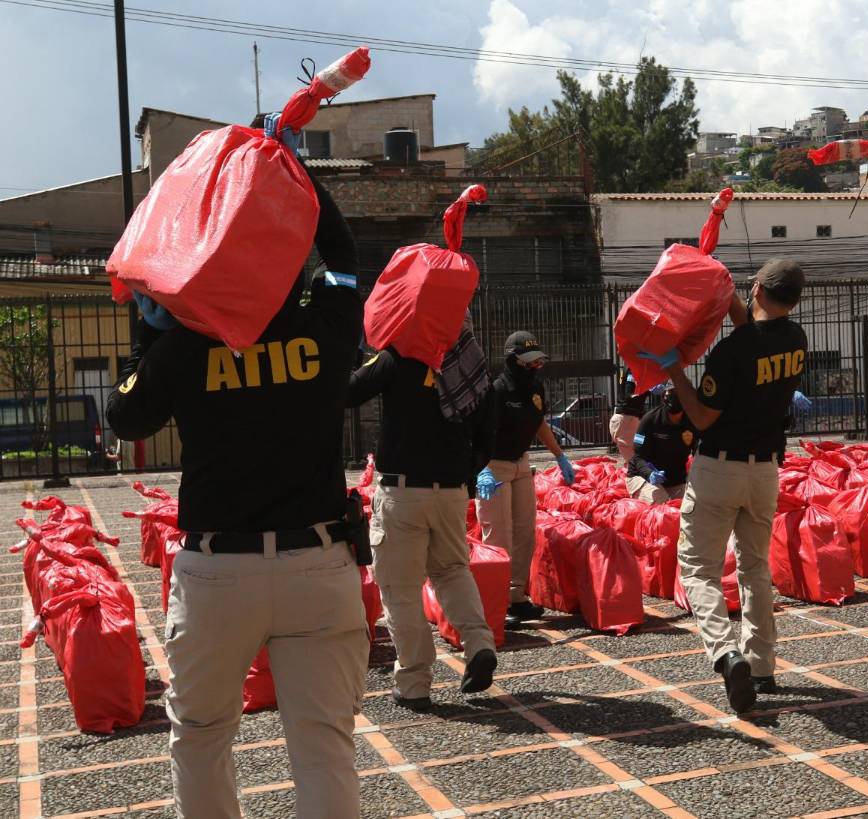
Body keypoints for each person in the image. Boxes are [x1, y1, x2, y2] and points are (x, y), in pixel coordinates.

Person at [107, 157, 369, 818]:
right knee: (324, 748)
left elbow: (126, 417)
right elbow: (341, 253)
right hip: (319, 561)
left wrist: (154, 320)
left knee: (201, 739)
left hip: (218, 572)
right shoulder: (326, 326)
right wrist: (299, 176)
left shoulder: (189, 342)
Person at [639, 259, 808, 714]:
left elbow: (703, 417)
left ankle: (724, 652)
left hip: (719, 469)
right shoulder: (796, 339)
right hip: (765, 471)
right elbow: (752, 336)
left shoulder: (731, 352)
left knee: (697, 568)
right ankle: (762, 664)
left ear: (758, 290)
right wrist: (726, 288)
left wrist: (675, 369)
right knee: (755, 568)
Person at [345, 315, 497, 712]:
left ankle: (415, 681)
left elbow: (349, 392)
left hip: (403, 492)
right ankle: (479, 643)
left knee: (400, 588)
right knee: (452, 570)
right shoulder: (469, 358)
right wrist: (464, 471)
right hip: (450, 490)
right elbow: (487, 428)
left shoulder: (397, 356)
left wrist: (358, 349)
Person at [477, 331, 577, 625]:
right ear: (512, 361)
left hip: (521, 465)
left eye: (538, 362)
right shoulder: (496, 390)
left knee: (524, 534)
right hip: (493, 467)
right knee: (498, 537)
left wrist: (560, 455)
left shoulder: (535, 388)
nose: (535, 368)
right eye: (529, 363)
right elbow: (479, 431)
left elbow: (539, 423)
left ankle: (516, 598)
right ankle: (493, 605)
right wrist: (479, 467)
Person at [626, 387, 696, 503]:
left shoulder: (692, 422)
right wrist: (650, 473)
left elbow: (698, 452)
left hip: (675, 480)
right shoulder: (650, 420)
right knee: (662, 505)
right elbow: (638, 457)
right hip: (642, 477)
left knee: (690, 506)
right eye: (672, 393)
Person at [609, 369, 648, 463]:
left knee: (640, 454)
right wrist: (649, 388)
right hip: (626, 421)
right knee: (635, 461)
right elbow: (629, 394)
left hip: (631, 421)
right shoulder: (633, 371)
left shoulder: (635, 370)